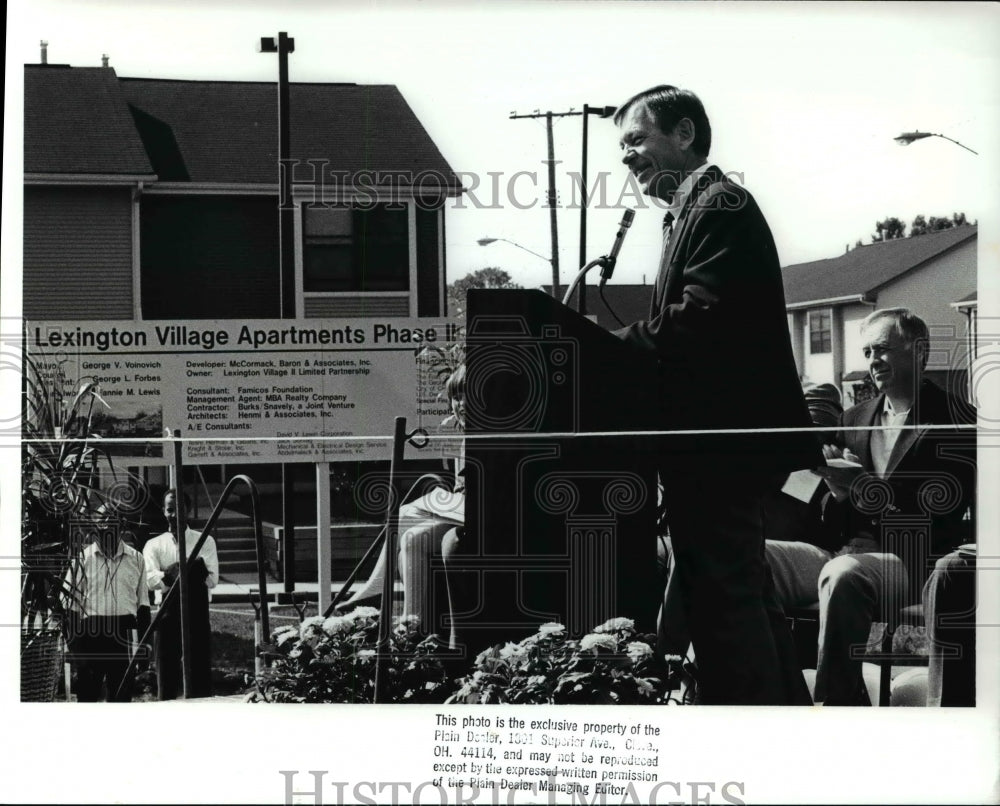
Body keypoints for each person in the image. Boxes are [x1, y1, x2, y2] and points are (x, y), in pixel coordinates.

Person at [612, 85, 820, 704]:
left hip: (720, 449)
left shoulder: (721, 204)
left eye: (636, 141)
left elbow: (703, 316)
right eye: (621, 146)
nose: (626, 158)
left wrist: (610, 345)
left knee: (725, 600)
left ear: (684, 135)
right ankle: (782, 714)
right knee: (742, 592)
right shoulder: (693, 209)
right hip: (707, 447)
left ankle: (750, 735)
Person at [813, 308, 976, 705]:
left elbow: (939, 514)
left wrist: (864, 489)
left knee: (843, 574)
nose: (872, 361)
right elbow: (827, 517)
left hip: (917, 560)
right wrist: (837, 494)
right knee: (753, 557)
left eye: (883, 349)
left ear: (920, 351)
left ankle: (833, 711)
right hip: (845, 551)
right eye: (867, 352)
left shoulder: (958, 422)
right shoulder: (853, 419)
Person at [337, 365, 466, 644]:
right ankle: (411, 622)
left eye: (468, 396)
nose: (461, 404)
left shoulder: (489, 435)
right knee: (411, 536)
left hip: (483, 512)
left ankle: (377, 592)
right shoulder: (464, 434)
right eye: (456, 397)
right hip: (463, 510)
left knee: (406, 511)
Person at [63, 503, 150, 702]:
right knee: (88, 699)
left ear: (122, 525)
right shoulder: (82, 559)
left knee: (121, 700)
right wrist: (78, 654)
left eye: (113, 522)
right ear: (95, 527)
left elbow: (143, 606)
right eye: (102, 523)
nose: (107, 528)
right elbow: (71, 611)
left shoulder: (136, 559)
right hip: (91, 636)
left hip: (123, 635)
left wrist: (145, 646)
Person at [142, 489, 219, 699]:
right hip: (167, 614)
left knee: (200, 675)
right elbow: (149, 579)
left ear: (188, 510)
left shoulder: (205, 541)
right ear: (163, 512)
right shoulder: (154, 545)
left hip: (197, 611)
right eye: (169, 510)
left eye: (179, 509)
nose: (174, 514)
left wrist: (172, 572)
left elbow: (212, 579)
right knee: (166, 674)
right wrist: (187, 569)